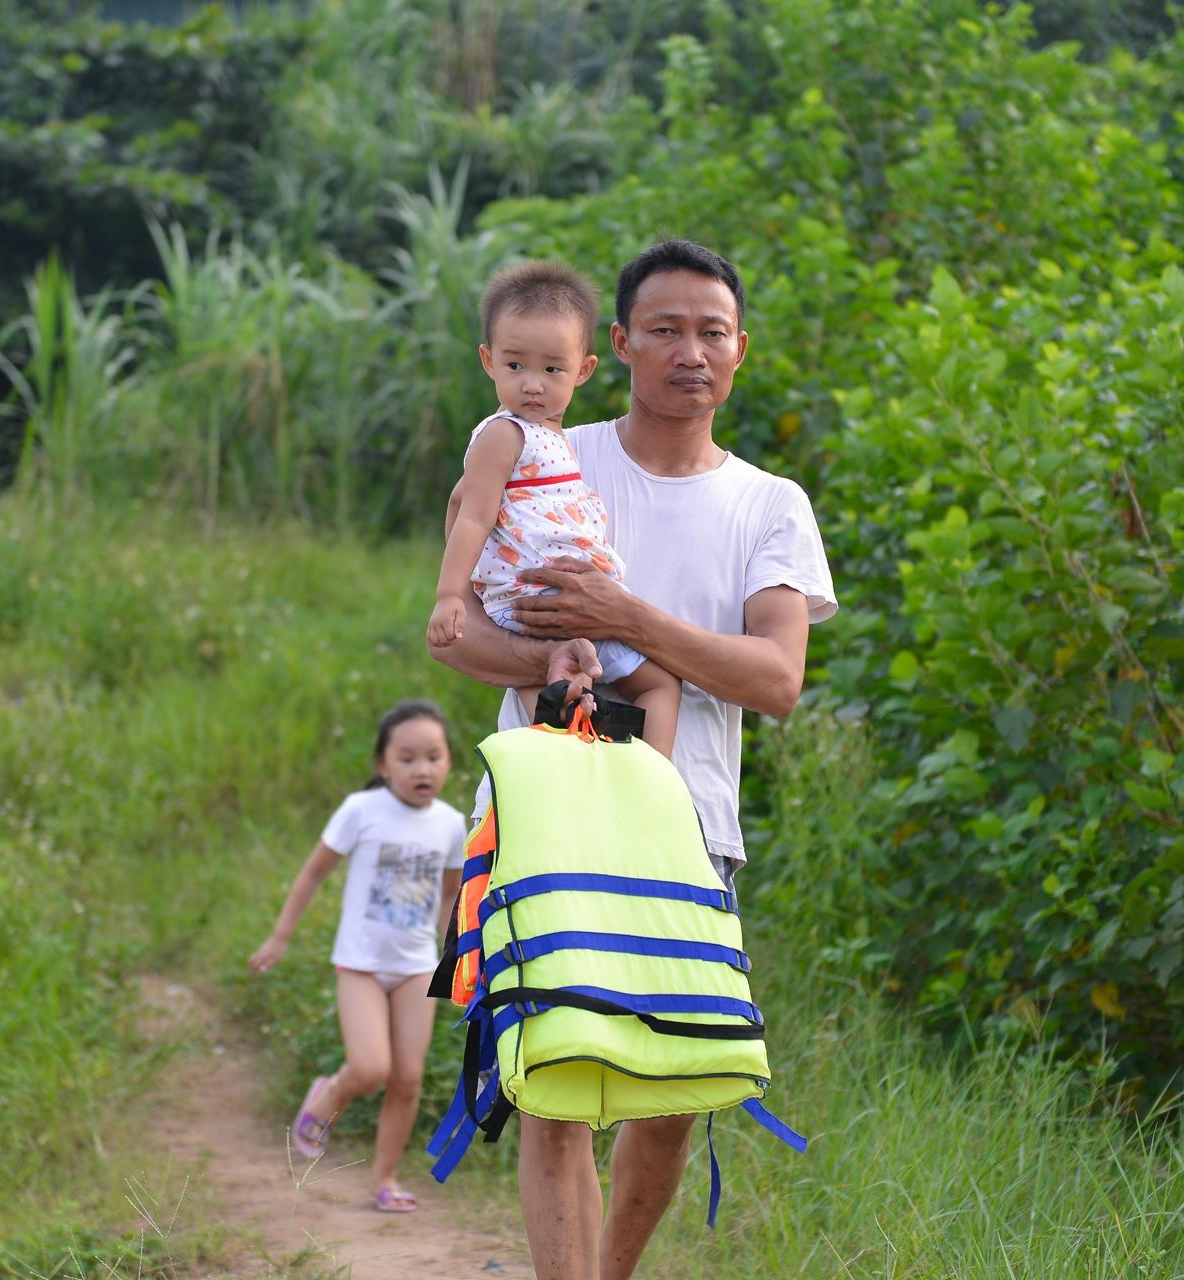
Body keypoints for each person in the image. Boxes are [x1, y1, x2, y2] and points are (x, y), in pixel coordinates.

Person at [428, 239, 837, 1279]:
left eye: (711, 332)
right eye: (664, 329)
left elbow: (777, 679)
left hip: (687, 827)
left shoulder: (769, 503)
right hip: (543, 819)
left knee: (676, 1085)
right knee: (558, 1083)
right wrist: (549, 660)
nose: (690, 351)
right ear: (615, 345)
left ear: (740, 350)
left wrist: (625, 618)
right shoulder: (542, 443)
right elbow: (457, 632)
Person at [426, 260, 681, 758]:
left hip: (573, 601)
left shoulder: (553, 437)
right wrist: (449, 595)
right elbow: (472, 516)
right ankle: (624, 779)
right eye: (515, 366)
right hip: (536, 601)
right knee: (635, 688)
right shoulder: (504, 434)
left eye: (551, 369)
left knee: (639, 690)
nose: (532, 384)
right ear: (488, 360)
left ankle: (643, 781)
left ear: (583, 370)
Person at [248, 699, 467, 1214]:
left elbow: (449, 897)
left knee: (407, 1079)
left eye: (433, 757)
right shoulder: (361, 810)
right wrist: (280, 937)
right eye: (407, 759)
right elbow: (313, 873)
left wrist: (456, 961)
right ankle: (329, 1095)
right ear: (383, 764)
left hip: (416, 967)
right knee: (369, 1069)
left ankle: (384, 1179)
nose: (422, 769)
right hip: (361, 965)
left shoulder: (452, 824)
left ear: (448, 762)